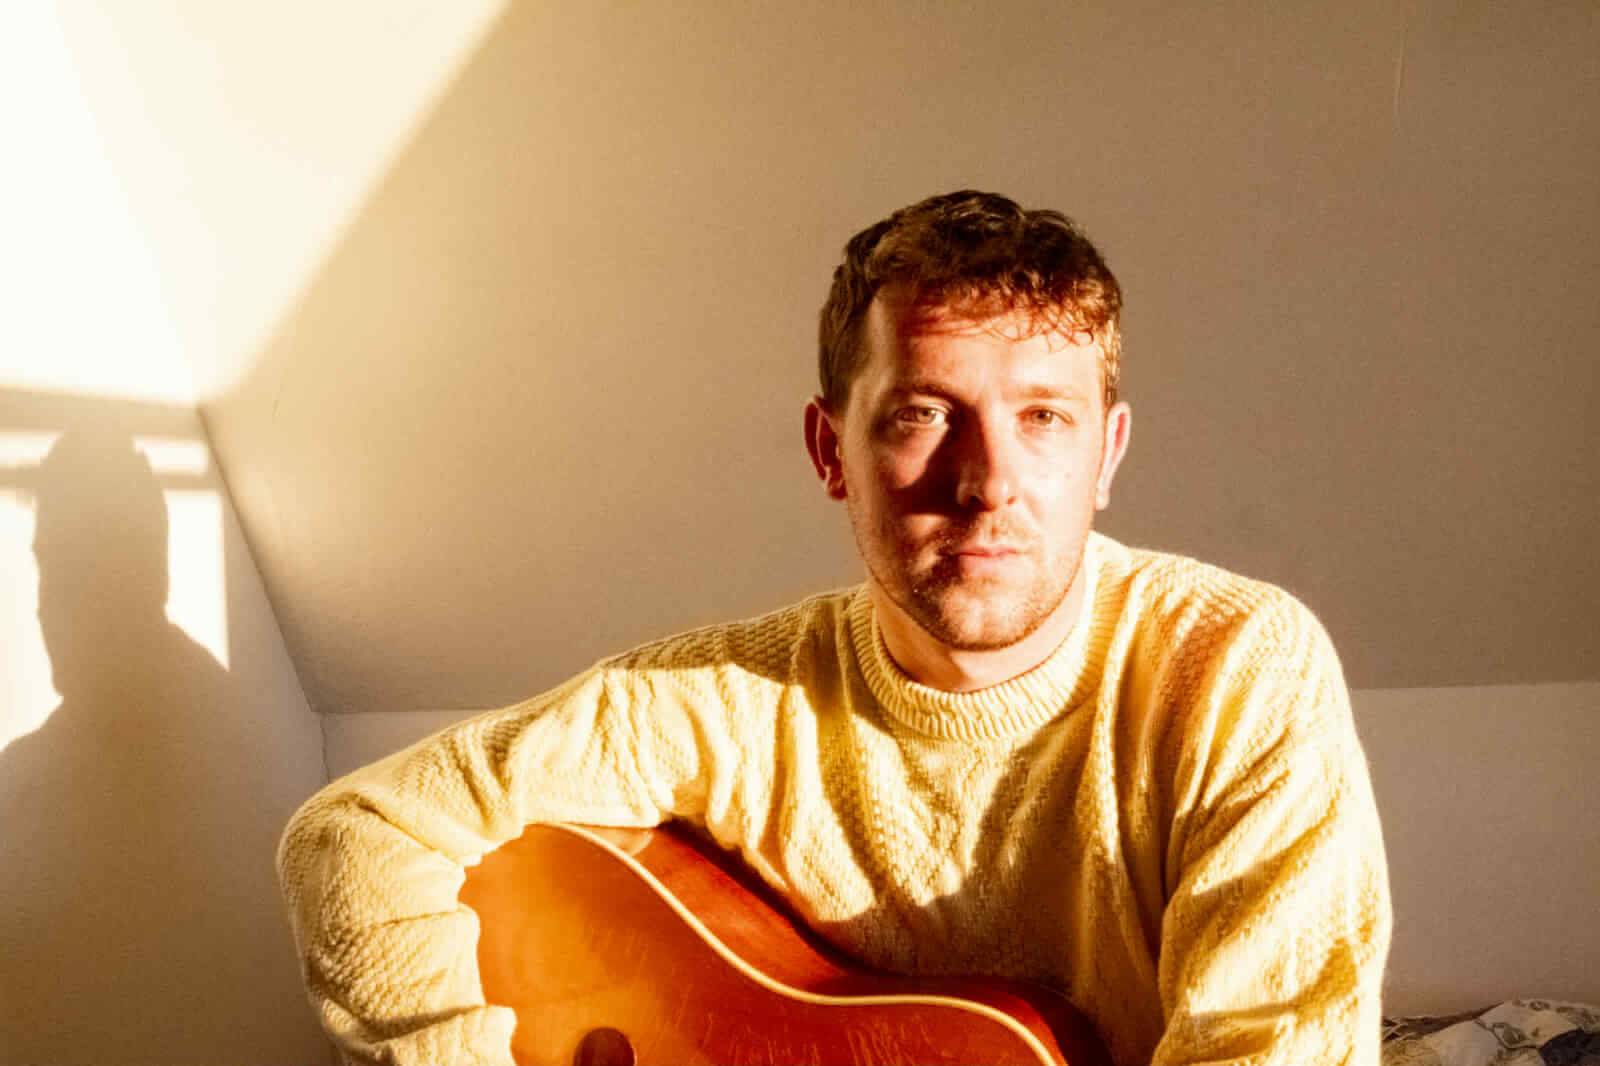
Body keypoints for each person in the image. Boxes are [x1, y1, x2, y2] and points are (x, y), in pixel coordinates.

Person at [277, 190, 1392, 1066]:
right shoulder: (719, 699)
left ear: (1105, 454)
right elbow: (353, 836)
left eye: (1043, 417)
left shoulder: (1237, 669)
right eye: (923, 414)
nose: (987, 482)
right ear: (831, 452)